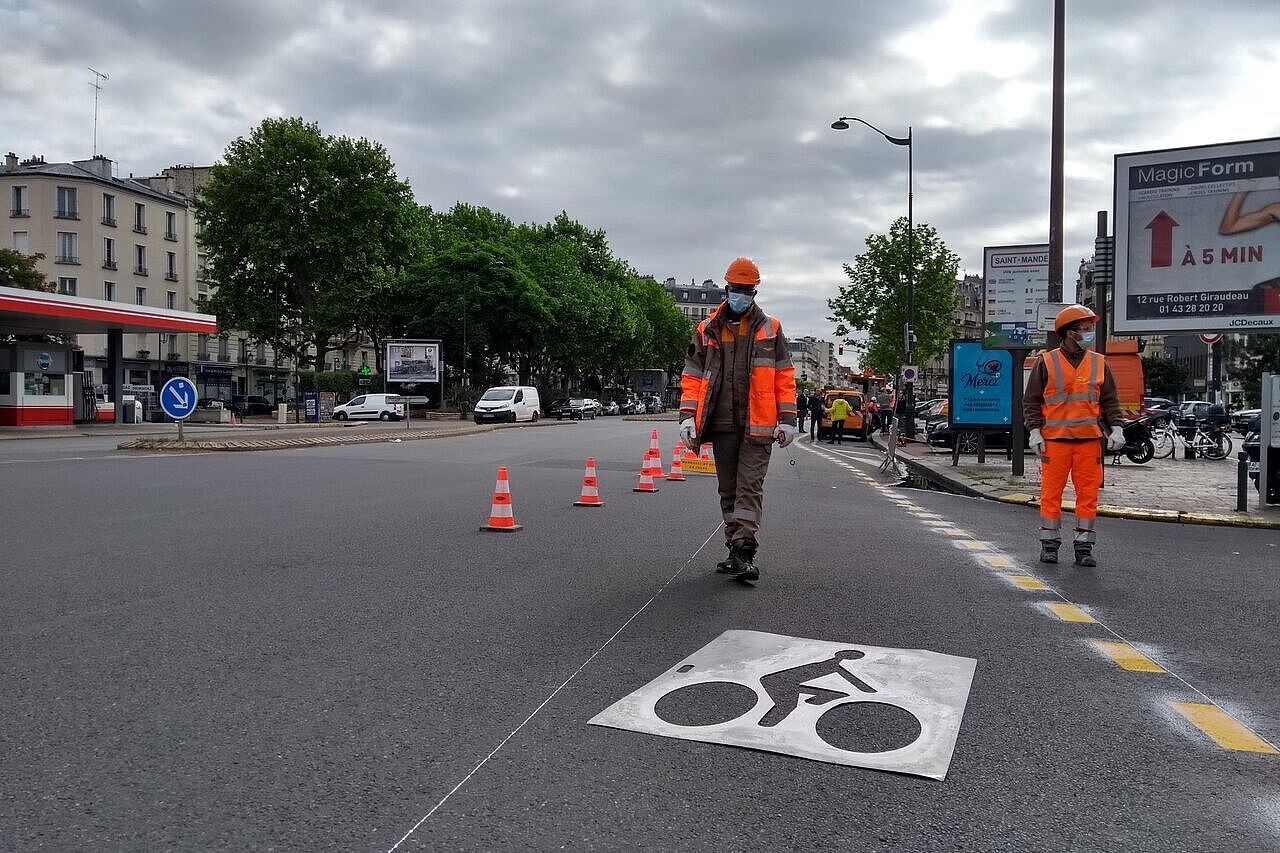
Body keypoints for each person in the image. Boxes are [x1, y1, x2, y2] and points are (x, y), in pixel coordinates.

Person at [679, 256, 798, 583]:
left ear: (754, 291)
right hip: (722, 424)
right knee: (728, 491)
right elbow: (692, 376)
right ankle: (735, 548)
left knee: (749, 488)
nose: (741, 295)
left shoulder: (771, 328)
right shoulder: (707, 329)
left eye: (747, 290)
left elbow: (784, 376)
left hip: (758, 426)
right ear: (727, 288)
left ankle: (744, 550)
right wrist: (687, 416)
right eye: (736, 289)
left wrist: (787, 419)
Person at [1024, 304, 1127, 567]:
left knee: (1088, 495)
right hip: (1055, 440)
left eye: (1090, 328)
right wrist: (1034, 431)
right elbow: (1031, 400)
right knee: (1051, 494)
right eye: (1085, 328)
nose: (1090, 332)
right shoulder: (1046, 362)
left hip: (1089, 441)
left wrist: (1117, 427)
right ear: (1070, 332)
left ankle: (1084, 547)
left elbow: (1110, 400)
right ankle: (1049, 545)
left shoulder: (1099, 363)